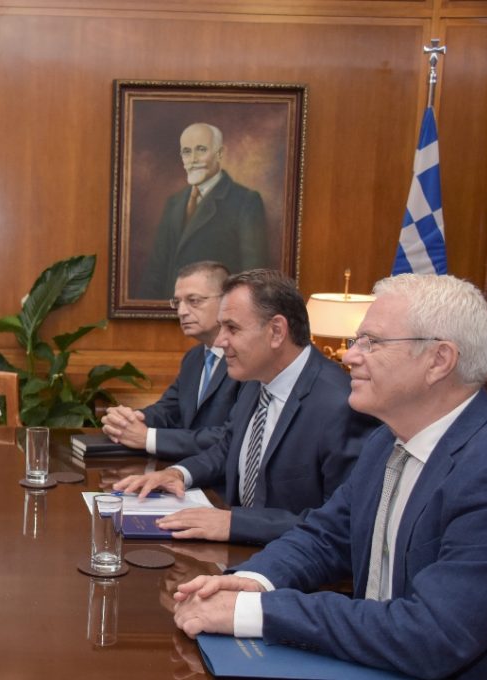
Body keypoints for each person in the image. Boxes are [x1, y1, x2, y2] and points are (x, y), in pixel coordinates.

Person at [172, 273, 487, 679]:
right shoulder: (385, 441)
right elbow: (326, 535)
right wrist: (252, 581)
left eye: (371, 342)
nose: (349, 356)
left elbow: (433, 635)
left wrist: (259, 611)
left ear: (439, 360)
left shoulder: (482, 467)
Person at [115, 269, 376, 544]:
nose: (220, 341)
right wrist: (178, 473)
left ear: (276, 332)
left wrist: (235, 523)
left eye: (232, 328)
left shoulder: (340, 404)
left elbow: (341, 524)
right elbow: (227, 449)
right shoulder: (256, 378)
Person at [102, 261, 241, 460]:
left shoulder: (246, 359)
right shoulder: (193, 358)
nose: (182, 311)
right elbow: (167, 410)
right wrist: (126, 421)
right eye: (177, 302)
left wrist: (148, 438)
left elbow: (231, 437)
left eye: (194, 301)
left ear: (225, 300)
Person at [137, 123, 268, 299]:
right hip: (171, 308)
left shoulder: (246, 202)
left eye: (201, 150)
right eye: (187, 152)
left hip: (217, 312)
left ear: (219, 153)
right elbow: (156, 270)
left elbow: (253, 277)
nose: (193, 159)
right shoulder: (174, 203)